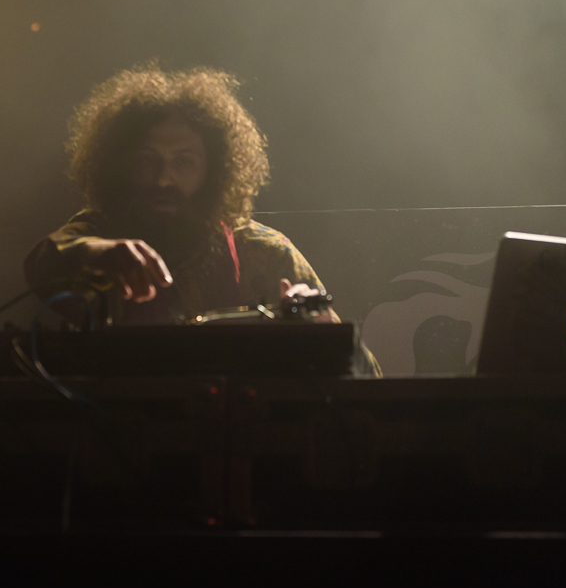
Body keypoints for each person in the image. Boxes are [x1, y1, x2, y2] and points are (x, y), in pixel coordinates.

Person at [24, 65, 380, 375]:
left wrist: (325, 335)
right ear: (122, 167)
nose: (164, 179)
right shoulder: (101, 231)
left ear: (214, 172)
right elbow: (44, 261)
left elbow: (368, 375)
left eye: (184, 162)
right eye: (148, 160)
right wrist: (95, 254)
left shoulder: (265, 252)